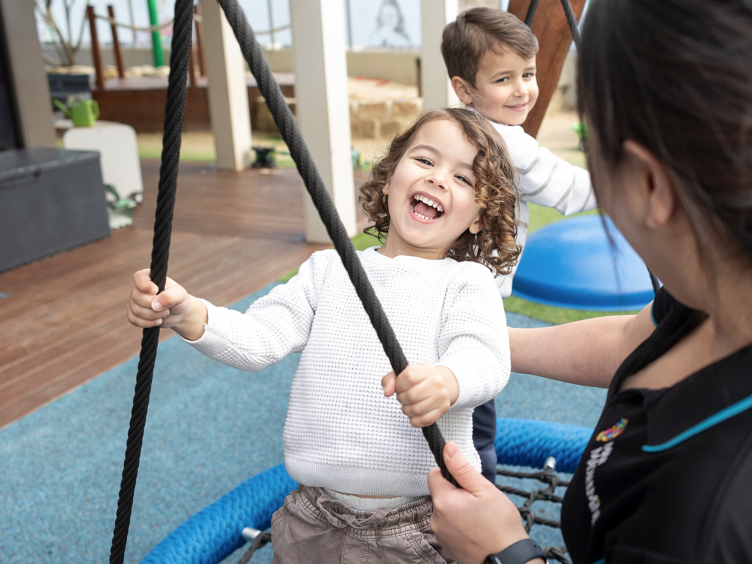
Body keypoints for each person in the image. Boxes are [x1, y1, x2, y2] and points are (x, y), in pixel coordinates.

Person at [426, 0, 752, 563]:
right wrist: (483, 346)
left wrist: (503, 552)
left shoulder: (702, 525)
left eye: (591, 143)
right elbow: (639, 341)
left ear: (652, 185)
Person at [127, 108, 521, 563]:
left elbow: (487, 356)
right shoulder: (329, 270)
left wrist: (448, 381)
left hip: (415, 524)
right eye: (426, 161)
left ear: (477, 217)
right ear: (391, 175)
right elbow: (260, 338)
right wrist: (188, 312)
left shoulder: (465, 282)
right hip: (312, 514)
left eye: (463, 179)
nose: (437, 180)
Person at [441, 6, 598, 484]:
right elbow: (571, 191)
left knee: (436, 401)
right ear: (465, 89)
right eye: (503, 79)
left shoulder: (449, 126)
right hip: (474, 301)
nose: (523, 89)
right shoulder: (510, 142)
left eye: (528, 74)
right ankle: (478, 498)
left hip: (434, 284)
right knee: (474, 407)